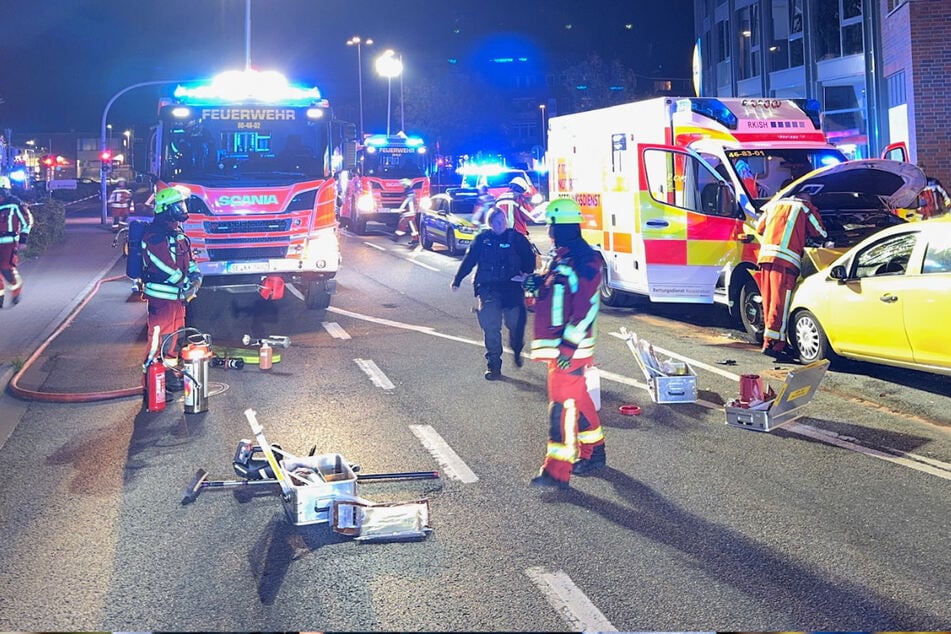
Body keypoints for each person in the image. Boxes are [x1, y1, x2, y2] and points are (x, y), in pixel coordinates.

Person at [522, 198, 605, 489]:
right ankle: (594, 452)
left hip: (570, 349)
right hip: (560, 346)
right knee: (578, 400)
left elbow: (585, 309)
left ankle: (557, 471)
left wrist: (568, 349)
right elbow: (553, 296)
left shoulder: (585, 261)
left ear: (561, 225)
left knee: (562, 407)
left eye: (551, 224)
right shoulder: (563, 257)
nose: (549, 230)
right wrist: (535, 286)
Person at [451, 206, 536, 380]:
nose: (501, 224)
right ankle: (494, 365)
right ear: (490, 223)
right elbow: (470, 261)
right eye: (497, 221)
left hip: (512, 288)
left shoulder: (516, 238)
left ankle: (517, 348)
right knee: (491, 326)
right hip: (488, 288)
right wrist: (457, 279)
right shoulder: (482, 239)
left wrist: (526, 274)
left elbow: (529, 258)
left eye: (503, 220)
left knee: (516, 323)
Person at [141, 185, 202, 391]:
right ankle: (152, 379)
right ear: (166, 208)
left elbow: (188, 260)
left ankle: (169, 374)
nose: (183, 208)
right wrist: (183, 282)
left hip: (177, 298)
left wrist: (195, 275)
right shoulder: (154, 234)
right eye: (179, 205)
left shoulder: (177, 233)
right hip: (162, 298)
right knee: (159, 338)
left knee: (175, 337)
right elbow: (162, 262)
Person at [755, 191, 827, 359]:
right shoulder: (805, 207)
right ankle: (775, 346)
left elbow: (759, 228)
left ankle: (771, 341)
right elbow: (819, 232)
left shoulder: (772, 205)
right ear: (805, 196)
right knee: (781, 302)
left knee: (770, 301)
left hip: (766, 257)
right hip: (786, 261)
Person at [0, 176, 34, 308]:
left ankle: (16, 290)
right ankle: (0, 298)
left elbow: (27, 221)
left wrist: (23, 239)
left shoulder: (15, 204)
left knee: (6, 268)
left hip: (9, 243)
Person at [394, 178, 421, 247]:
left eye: (403, 185)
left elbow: (406, 202)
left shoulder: (409, 193)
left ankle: (397, 236)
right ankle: (415, 239)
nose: (403, 186)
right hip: (409, 211)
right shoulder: (409, 192)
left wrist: (401, 209)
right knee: (409, 225)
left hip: (410, 212)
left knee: (407, 225)